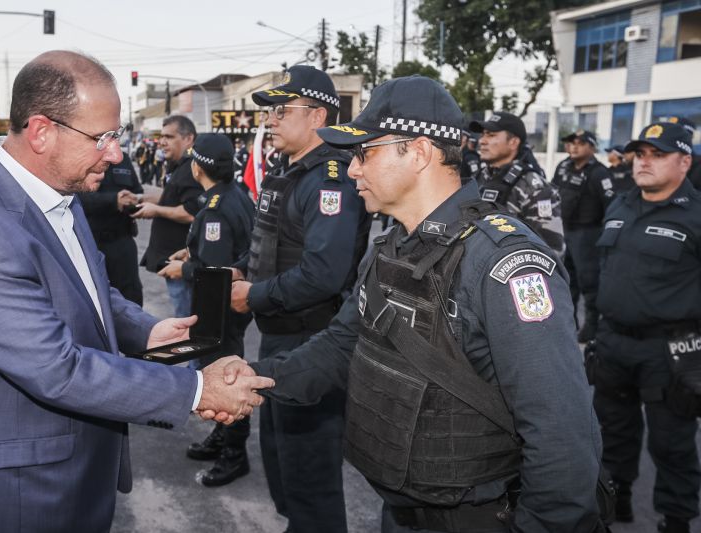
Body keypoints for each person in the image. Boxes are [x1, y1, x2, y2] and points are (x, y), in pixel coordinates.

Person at [0, 50, 273, 533]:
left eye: (116, 136)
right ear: (41, 131)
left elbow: (95, 293)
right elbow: (57, 369)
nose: (116, 153)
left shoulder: (59, 192)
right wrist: (197, 389)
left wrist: (150, 332)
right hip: (13, 494)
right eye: (101, 138)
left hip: (71, 474)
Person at [222, 75, 603, 533]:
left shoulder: (505, 265)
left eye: (365, 153)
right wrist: (258, 378)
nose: (352, 170)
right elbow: (344, 345)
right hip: (404, 511)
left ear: (418, 152)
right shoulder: (392, 248)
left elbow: (561, 433)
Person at [229, 64, 371, 533]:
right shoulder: (288, 170)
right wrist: (243, 270)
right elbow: (272, 240)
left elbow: (324, 274)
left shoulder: (330, 177)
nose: (270, 120)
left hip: (313, 340)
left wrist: (255, 295)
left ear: (318, 115)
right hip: (280, 335)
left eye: (282, 110)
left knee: (309, 474)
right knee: (280, 458)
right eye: (269, 111)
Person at [592, 122, 701, 533]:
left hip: (671, 350)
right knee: (611, 430)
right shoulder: (619, 205)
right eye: (641, 153)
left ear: (684, 162)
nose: (645, 161)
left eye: (657, 154)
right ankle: (615, 500)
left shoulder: (697, 215)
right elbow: (602, 272)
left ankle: (675, 519)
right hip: (614, 342)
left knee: (671, 442)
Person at [161, 133, 255, 487]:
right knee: (227, 367)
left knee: (227, 375)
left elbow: (215, 273)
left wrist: (182, 269)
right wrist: (191, 253)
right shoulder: (236, 195)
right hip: (232, 305)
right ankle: (222, 437)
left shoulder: (215, 207)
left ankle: (234, 454)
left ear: (197, 167)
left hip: (220, 307)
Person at [468, 111, 565, 255]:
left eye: (491, 135)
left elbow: (552, 250)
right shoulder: (478, 178)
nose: (482, 141)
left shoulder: (534, 188)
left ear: (513, 142)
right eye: (483, 135)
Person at [135, 115, 204, 318]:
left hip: (182, 260)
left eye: (169, 137)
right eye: (161, 136)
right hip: (173, 260)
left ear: (188, 138)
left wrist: (155, 210)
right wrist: (140, 197)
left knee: (188, 321)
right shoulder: (180, 167)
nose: (162, 142)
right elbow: (170, 198)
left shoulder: (193, 169)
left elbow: (192, 212)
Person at [552, 129, 612, 342]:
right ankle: (569, 324)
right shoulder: (563, 167)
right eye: (570, 142)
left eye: (580, 142)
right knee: (565, 281)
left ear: (592, 147)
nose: (573, 146)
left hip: (588, 234)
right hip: (564, 231)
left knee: (589, 283)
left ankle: (592, 325)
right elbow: (552, 193)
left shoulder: (599, 173)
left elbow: (611, 206)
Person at [77, 151, 145, 305]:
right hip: (92, 244)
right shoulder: (81, 156)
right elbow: (77, 198)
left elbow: (137, 190)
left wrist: (134, 200)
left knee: (131, 296)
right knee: (95, 299)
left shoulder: (123, 158)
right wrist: (114, 200)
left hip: (123, 241)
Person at [660, 116, 701, 189]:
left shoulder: (698, 166)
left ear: (689, 138)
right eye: (666, 135)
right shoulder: (652, 161)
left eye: (677, 135)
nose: (668, 139)